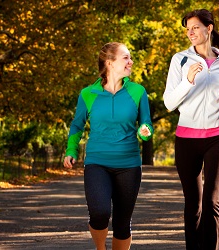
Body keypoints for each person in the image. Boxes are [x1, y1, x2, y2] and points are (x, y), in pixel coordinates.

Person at [63, 42, 153, 250]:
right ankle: (100, 247)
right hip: (97, 162)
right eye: (126, 58)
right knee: (100, 212)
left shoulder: (138, 91)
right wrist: (71, 150)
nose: (131, 62)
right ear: (110, 63)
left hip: (129, 164)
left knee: (122, 223)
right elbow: (77, 124)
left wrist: (144, 132)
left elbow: (146, 123)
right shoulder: (88, 94)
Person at [163, 9, 219, 250]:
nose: (190, 32)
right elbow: (169, 102)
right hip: (186, 138)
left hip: (218, 137)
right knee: (193, 203)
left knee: (212, 200)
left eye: (195, 27)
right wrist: (187, 81)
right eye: (187, 29)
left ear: (209, 28)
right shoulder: (180, 60)